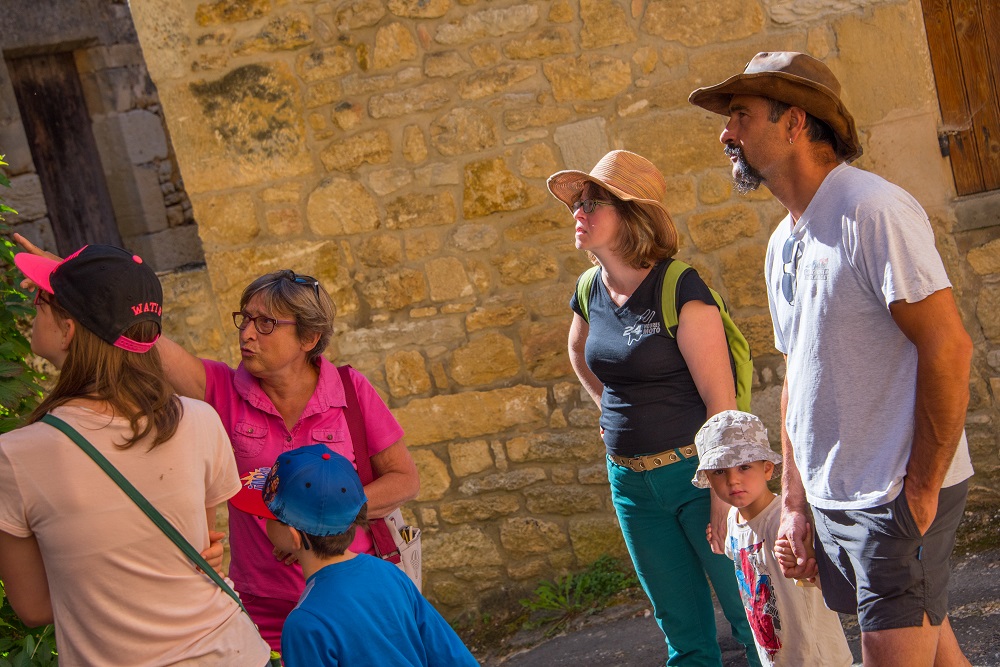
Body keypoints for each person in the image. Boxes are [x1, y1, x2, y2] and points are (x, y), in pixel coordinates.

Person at [689, 51, 975, 667]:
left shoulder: (872, 210)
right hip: (838, 497)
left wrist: (919, 495)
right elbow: (800, 379)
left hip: (894, 495)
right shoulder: (781, 242)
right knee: (937, 653)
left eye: (740, 115)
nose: (726, 133)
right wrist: (796, 503)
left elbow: (949, 347)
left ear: (795, 122)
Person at [13, 234, 421, 652]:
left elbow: (404, 479)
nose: (247, 333)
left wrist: (320, 522)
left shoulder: (350, 390)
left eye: (265, 324)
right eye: (244, 319)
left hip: (349, 592)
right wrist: (73, 279)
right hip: (263, 605)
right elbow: (136, 334)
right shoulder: (221, 391)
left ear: (309, 338)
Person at [0, 244, 271, 666]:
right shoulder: (200, 419)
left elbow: (34, 608)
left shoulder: (16, 457)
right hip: (233, 653)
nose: (33, 308)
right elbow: (201, 552)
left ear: (68, 331)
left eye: (40, 300)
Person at [551, 150, 762, 666]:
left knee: (751, 617)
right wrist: (605, 409)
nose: (578, 212)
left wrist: (723, 495)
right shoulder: (588, 289)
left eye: (592, 202)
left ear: (631, 215)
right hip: (631, 487)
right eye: (576, 203)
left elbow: (720, 401)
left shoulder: (679, 287)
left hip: (697, 478)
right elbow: (578, 352)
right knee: (682, 633)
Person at [229, 444, 477, 667]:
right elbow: (451, 656)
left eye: (267, 517)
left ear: (294, 536)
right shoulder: (388, 573)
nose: (262, 522)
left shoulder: (305, 622)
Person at [693, 410, 853, 667]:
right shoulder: (734, 519)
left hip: (815, 658)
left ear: (767, 469)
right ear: (709, 480)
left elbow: (828, 579)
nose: (733, 480)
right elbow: (741, 556)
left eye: (744, 466)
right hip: (775, 655)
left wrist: (808, 563)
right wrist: (720, 542)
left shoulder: (784, 522)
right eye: (720, 471)